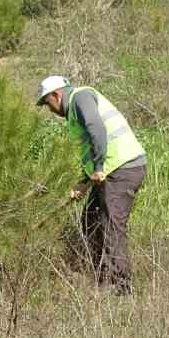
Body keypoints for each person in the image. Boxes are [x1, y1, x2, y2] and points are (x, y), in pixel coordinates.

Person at [36, 76, 147, 294]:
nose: (49, 109)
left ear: (57, 95)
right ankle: (102, 277)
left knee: (110, 225)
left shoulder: (81, 97)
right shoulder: (75, 110)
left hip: (122, 169)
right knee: (90, 219)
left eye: (47, 103)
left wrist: (97, 166)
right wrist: (83, 182)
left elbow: (96, 127)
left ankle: (120, 287)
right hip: (110, 171)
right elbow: (90, 146)